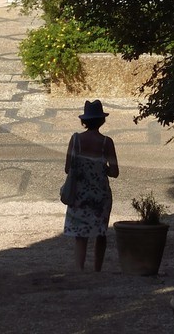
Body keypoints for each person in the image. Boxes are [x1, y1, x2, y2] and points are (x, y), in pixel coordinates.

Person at [62, 99, 119, 271]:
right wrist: (100, 169)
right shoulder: (106, 142)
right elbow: (115, 172)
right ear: (102, 120)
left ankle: (80, 268)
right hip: (100, 194)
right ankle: (97, 269)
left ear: (84, 120)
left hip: (79, 194)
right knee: (101, 232)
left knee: (81, 234)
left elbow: (67, 168)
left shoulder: (76, 140)